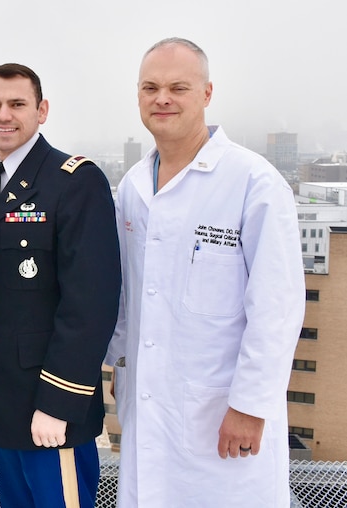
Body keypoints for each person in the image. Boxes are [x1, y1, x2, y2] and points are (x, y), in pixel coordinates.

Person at [105, 37, 306, 507]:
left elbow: (276, 307)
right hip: (149, 407)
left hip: (223, 414)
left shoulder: (253, 183)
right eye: (150, 87)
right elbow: (128, 293)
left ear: (207, 94)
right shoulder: (132, 186)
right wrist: (117, 360)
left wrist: (250, 406)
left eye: (178, 87)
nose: (163, 99)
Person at [0, 63, 121, 508]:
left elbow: (90, 303)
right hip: (5, 393)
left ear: (42, 110)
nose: (4, 115)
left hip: (51, 399)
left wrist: (59, 401)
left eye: (17, 104)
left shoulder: (74, 181)